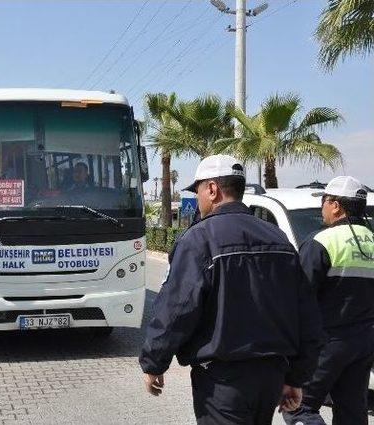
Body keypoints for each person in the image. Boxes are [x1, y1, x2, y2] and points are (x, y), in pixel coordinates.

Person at [139, 154, 324, 425]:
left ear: (212, 189)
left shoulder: (199, 239)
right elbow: (307, 316)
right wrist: (296, 378)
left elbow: (177, 309)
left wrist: (154, 362)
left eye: (199, 190)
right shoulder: (278, 238)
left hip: (223, 382)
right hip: (271, 377)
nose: (199, 199)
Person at [284, 176, 374, 425]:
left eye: (324, 201)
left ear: (335, 205)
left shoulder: (321, 241)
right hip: (364, 342)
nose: (322, 207)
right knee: (352, 411)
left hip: (326, 344)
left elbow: (299, 298)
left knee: (299, 408)